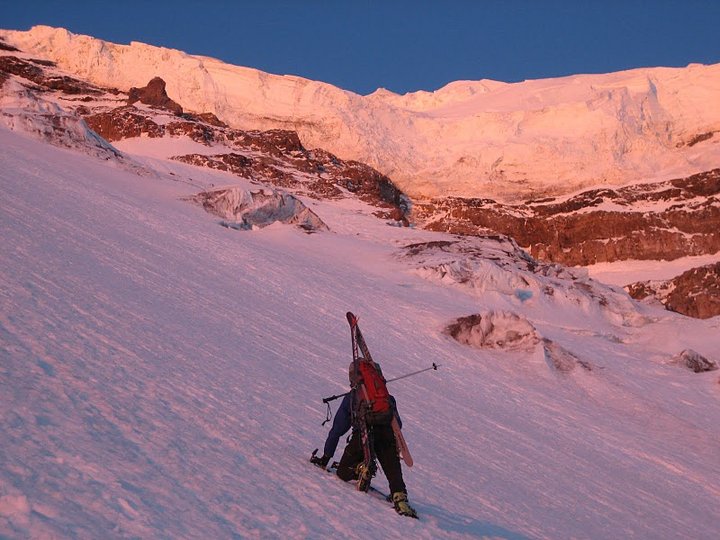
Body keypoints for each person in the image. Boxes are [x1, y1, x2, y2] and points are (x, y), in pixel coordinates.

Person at [312, 361, 417, 518]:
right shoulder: (388, 399)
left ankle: (361, 468)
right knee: (391, 465)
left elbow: (337, 430)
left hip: (363, 436)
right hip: (386, 435)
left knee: (342, 473)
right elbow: (398, 425)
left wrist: (325, 458)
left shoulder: (352, 397)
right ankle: (399, 496)